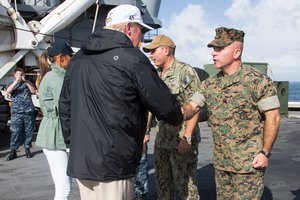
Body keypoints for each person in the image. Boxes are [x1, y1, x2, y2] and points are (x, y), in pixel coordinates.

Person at [58, 4, 183, 200]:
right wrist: (179, 115)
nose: (140, 37)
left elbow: (65, 107)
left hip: (82, 161)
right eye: (139, 30)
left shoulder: (79, 59)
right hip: (114, 163)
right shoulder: (132, 59)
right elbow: (165, 106)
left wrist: (72, 144)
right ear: (128, 28)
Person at [184, 27, 281, 199]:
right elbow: (192, 107)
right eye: (213, 49)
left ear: (236, 52)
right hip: (222, 165)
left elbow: (273, 117)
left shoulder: (257, 81)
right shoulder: (209, 84)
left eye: (220, 49)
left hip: (249, 166)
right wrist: (175, 111)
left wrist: (265, 152)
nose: (214, 53)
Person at [143, 35, 200, 199]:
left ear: (166, 50)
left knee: (186, 188)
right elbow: (150, 107)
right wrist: (146, 132)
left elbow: (195, 106)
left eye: (154, 51)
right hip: (162, 141)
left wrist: (187, 137)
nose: (151, 55)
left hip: (181, 141)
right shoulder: (157, 74)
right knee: (163, 185)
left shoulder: (185, 72)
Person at [36, 41, 74, 200]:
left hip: (53, 133)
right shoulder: (57, 78)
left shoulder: (53, 75)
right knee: (64, 188)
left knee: (64, 186)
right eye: (70, 57)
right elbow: (66, 108)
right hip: (55, 134)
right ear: (62, 58)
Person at [5, 67, 36, 161]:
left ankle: (27, 149)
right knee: (15, 131)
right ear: (14, 75)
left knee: (29, 131)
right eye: (18, 74)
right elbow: (8, 91)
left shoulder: (28, 83)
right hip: (16, 112)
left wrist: (25, 81)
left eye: (21, 74)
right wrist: (16, 81)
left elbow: (33, 91)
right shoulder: (11, 83)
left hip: (28, 111)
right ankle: (13, 151)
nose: (20, 76)